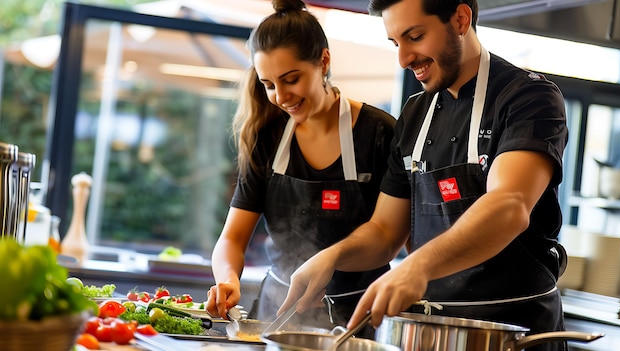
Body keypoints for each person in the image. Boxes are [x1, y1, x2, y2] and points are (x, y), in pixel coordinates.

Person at [280, 0, 569, 350]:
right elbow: (386, 231)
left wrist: (417, 266)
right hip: (434, 334)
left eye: (414, 36)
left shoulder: (528, 98)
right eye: (395, 43)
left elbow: (509, 205)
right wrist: (331, 257)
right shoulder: (416, 112)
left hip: (514, 334)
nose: (403, 59)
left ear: (461, 19)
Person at [205, 0, 396, 331]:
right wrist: (227, 279)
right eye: (268, 85)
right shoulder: (266, 136)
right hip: (277, 315)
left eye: (291, 79)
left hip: (362, 319)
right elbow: (232, 239)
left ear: (323, 61)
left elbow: (392, 235)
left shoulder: (378, 133)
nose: (280, 96)